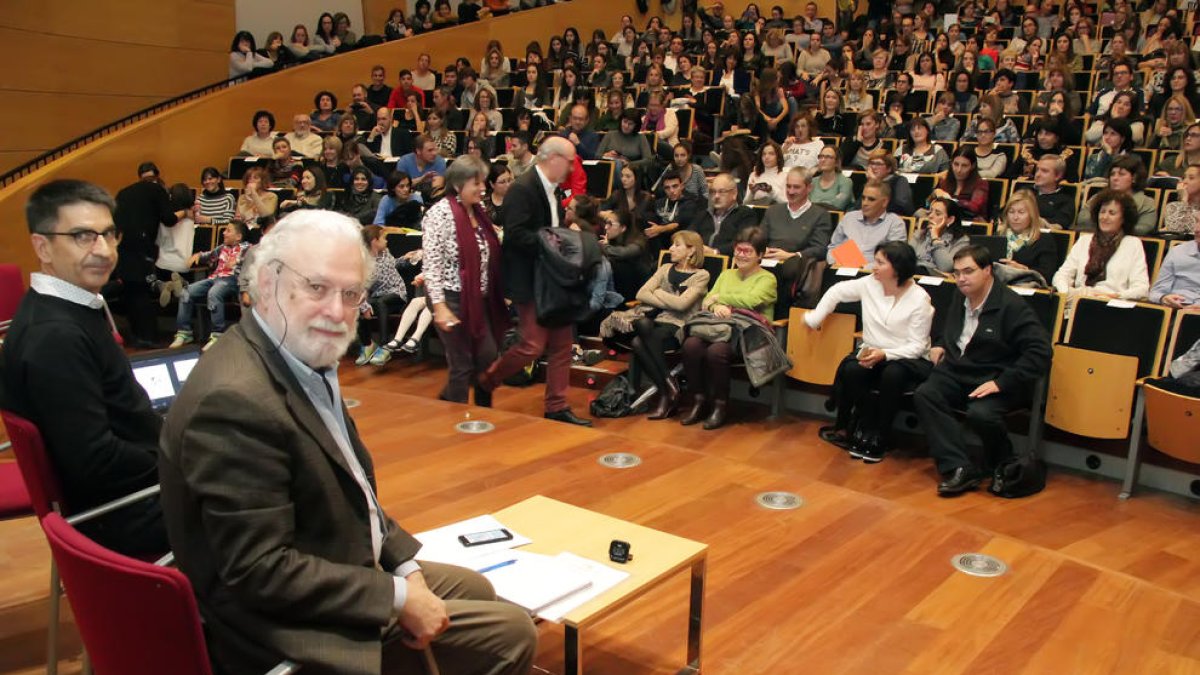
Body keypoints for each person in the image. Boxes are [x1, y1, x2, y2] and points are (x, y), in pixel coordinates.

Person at [157, 209, 537, 675]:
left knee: (474, 588)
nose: (337, 313)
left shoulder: (295, 353)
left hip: (328, 556)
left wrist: (404, 566)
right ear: (268, 281)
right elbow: (259, 571)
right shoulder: (235, 401)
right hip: (273, 629)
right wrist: (396, 597)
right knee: (511, 634)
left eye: (351, 293)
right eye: (316, 288)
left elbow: (355, 492)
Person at [3, 179, 168, 556]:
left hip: (134, 495)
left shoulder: (65, 308)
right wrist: (176, 458)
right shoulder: (54, 337)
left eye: (109, 234)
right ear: (42, 245)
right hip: (128, 515)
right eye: (83, 236)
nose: (104, 250)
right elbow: (95, 462)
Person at [913, 246, 1052, 495]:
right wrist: (941, 344)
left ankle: (1001, 462)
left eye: (968, 271)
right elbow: (952, 329)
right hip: (959, 371)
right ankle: (959, 467)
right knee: (926, 394)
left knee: (981, 414)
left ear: (987, 271)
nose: (961, 278)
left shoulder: (1012, 306)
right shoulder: (959, 296)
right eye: (956, 273)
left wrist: (1002, 382)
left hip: (996, 377)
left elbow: (1040, 351)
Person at [479, 138, 593, 426]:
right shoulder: (523, 188)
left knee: (562, 344)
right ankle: (487, 381)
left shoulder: (552, 191)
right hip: (529, 280)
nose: (571, 167)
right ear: (553, 159)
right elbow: (516, 235)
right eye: (569, 161)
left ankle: (556, 406)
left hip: (551, 279)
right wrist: (554, 244)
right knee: (531, 345)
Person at [809, 241, 934, 462]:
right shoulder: (869, 284)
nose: (873, 266)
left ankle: (882, 434)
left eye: (880, 262)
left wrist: (885, 354)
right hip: (872, 350)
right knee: (851, 370)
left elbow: (917, 346)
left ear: (898, 267)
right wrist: (816, 317)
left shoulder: (919, 298)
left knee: (892, 374)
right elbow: (836, 291)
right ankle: (864, 424)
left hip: (906, 357)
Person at [680, 227, 778, 430]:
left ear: (760, 255)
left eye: (748, 251)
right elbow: (707, 301)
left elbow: (751, 301)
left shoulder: (768, 278)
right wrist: (716, 306)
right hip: (717, 328)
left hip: (750, 334)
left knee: (717, 350)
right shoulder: (726, 275)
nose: (741, 255)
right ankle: (699, 401)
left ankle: (720, 406)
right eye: (739, 250)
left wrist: (722, 300)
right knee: (691, 345)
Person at [630, 231, 712, 419]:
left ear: (691, 250)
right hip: (659, 323)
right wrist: (671, 299)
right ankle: (668, 388)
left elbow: (682, 306)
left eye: (677, 245)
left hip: (681, 326)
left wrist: (657, 292)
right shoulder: (665, 268)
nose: (671, 249)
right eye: (672, 244)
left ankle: (666, 394)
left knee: (637, 341)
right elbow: (641, 293)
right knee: (641, 328)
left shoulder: (701, 275)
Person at [114, 162, 185, 347]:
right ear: (157, 177)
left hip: (121, 246)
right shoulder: (156, 190)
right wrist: (184, 213)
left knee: (130, 291)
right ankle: (149, 337)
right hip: (142, 246)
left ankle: (137, 335)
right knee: (143, 292)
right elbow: (168, 219)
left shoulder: (123, 192)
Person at [1055, 189, 1151, 301]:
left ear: (1124, 218)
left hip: (1112, 303)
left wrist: (1115, 296)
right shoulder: (1084, 241)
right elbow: (1062, 275)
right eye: (1102, 212)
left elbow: (1142, 289)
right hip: (1078, 300)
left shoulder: (1133, 244)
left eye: (1112, 213)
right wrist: (1066, 292)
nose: (1104, 217)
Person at [169, 222, 250, 351]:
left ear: (238, 236)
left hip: (232, 279)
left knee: (214, 293)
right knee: (186, 292)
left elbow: (255, 257)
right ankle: (185, 332)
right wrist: (198, 256)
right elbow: (208, 256)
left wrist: (238, 261)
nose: (224, 233)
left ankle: (217, 335)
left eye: (228, 231)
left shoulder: (247, 248)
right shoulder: (222, 248)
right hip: (214, 278)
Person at [760, 167, 833, 309]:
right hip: (766, 263)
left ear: (809, 188)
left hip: (795, 271)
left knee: (790, 268)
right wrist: (763, 250)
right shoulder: (773, 211)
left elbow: (820, 248)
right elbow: (759, 238)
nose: (791, 191)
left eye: (796, 187)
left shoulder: (820, 215)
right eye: (788, 186)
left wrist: (792, 256)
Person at [353, 226, 410, 366]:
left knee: (380, 303)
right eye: (383, 238)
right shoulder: (365, 264)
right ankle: (368, 345)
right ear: (374, 241)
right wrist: (364, 305)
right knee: (360, 306)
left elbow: (393, 265)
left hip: (397, 293)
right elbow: (361, 288)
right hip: (378, 296)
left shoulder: (386, 253)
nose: (386, 241)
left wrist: (406, 258)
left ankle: (385, 346)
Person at [828, 181, 907, 266]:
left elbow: (894, 259)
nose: (865, 203)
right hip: (842, 269)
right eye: (863, 198)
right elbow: (833, 247)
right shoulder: (849, 218)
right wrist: (836, 261)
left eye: (871, 199)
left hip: (875, 275)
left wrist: (861, 267)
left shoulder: (895, 223)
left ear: (884, 202)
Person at [1075, 155, 1157, 234]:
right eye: (1112, 174)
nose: (1115, 178)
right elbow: (1083, 220)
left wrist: (1111, 226)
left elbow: (1144, 229)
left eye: (1121, 174)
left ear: (1134, 178)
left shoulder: (1146, 203)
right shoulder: (1098, 197)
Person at [997, 189, 1060, 283]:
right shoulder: (998, 237)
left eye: (1021, 212)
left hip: (1026, 287)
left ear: (1032, 215)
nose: (1015, 217)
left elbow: (1048, 275)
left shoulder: (1044, 240)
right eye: (1011, 212)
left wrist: (1024, 270)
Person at [1149, 210, 1200, 308]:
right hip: (1176, 309)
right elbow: (1155, 292)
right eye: (1197, 221)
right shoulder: (1177, 252)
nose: (1197, 229)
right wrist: (1163, 298)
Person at [910, 197, 970, 274]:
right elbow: (907, 260)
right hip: (915, 276)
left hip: (940, 281)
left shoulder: (961, 240)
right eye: (930, 212)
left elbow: (945, 267)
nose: (931, 216)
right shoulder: (920, 234)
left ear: (950, 220)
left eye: (937, 214)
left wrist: (935, 238)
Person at [705, 173, 760, 256]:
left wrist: (715, 252)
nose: (716, 196)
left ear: (734, 193)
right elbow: (689, 236)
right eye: (713, 192)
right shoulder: (704, 214)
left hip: (730, 262)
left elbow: (744, 242)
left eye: (722, 192)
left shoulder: (746, 214)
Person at [932, 148, 989, 220]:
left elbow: (974, 208)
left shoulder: (981, 184)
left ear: (973, 166)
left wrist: (949, 199)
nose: (959, 170)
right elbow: (930, 204)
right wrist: (934, 194)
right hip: (945, 222)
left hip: (971, 225)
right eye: (956, 164)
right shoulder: (944, 182)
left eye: (964, 166)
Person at [864, 150, 915, 216]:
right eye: (871, 163)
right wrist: (872, 182)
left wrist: (876, 183)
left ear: (889, 168)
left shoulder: (899, 181)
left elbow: (901, 207)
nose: (873, 167)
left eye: (878, 164)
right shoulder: (869, 181)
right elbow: (859, 207)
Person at [1031, 155, 1076, 228]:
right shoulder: (1025, 191)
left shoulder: (1065, 199)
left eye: (1044, 171)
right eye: (1037, 170)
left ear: (1058, 176)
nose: (1038, 174)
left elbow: (1061, 223)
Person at [809, 146, 854, 211]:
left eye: (828, 157)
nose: (823, 160)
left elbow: (838, 205)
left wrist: (815, 205)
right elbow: (805, 205)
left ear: (837, 162)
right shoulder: (812, 182)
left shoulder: (846, 182)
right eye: (821, 156)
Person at [1163, 165, 1200, 236]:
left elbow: (1194, 231)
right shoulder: (1173, 206)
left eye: (1191, 178)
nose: (1185, 181)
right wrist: (1183, 201)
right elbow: (1174, 231)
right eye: (1184, 178)